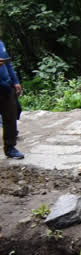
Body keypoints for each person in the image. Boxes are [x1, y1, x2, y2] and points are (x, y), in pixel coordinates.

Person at [0, 26, 23, 159]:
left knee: (10, 116)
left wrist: (15, 81)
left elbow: (8, 64)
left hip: (6, 85)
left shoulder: (1, 44)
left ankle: (10, 147)